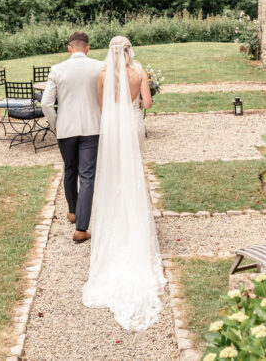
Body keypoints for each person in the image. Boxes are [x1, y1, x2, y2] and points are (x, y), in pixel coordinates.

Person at [82, 35, 165, 331]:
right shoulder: (139, 72)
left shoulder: (103, 74)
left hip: (112, 129)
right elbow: (147, 102)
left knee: (113, 173)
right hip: (131, 126)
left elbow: (102, 107)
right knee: (133, 173)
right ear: (129, 52)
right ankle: (133, 219)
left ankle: (114, 217)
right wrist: (134, 107)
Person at [40, 31, 102, 243]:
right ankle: (81, 228)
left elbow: (46, 103)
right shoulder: (99, 66)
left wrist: (56, 124)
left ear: (69, 48)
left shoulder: (57, 69)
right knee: (87, 176)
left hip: (66, 130)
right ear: (87, 48)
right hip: (93, 128)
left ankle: (73, 211)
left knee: (70, 169)